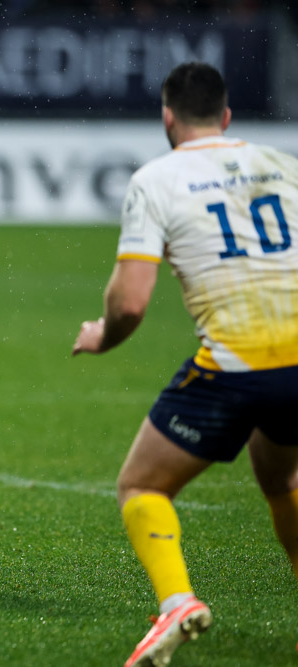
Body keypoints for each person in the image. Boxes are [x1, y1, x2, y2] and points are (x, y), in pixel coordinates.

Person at [72, 62, 298, 667]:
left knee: (142, 485)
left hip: (237, 364)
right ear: (227, 117)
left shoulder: (157, 179)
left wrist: (102, 337)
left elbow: (131, 302)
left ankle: (176, 602)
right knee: (282, 480)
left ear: (168, 118)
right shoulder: (286, 166)